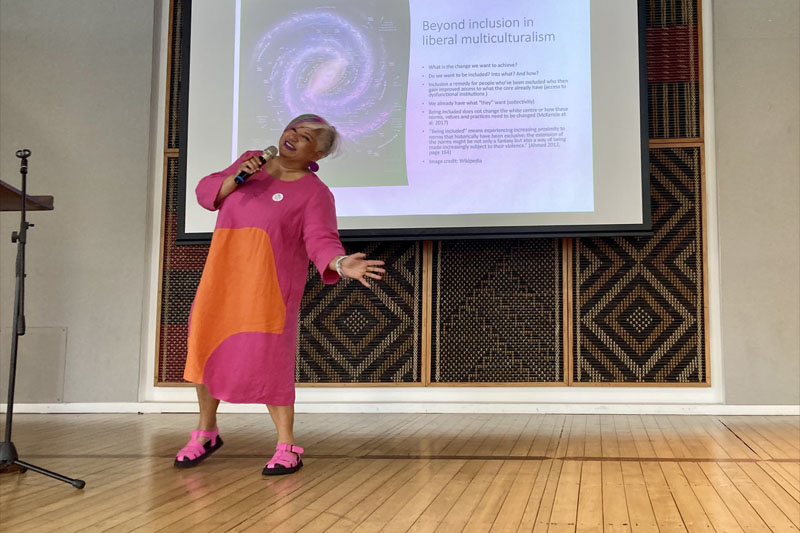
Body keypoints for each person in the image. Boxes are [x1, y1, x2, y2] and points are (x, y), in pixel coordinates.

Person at [174, 114, 385, 475]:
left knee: (270, 363)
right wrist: (235, 177)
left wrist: (340, 261)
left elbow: (320, 239)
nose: (293, 137)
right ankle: (206, 431)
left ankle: (287, 445)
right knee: (207, 350)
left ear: (315, 153)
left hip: (268, 289)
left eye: (305, 137)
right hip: (222, 282)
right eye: (292, 129)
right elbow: (206, 192)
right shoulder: (250, 163)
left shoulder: (315, 193)